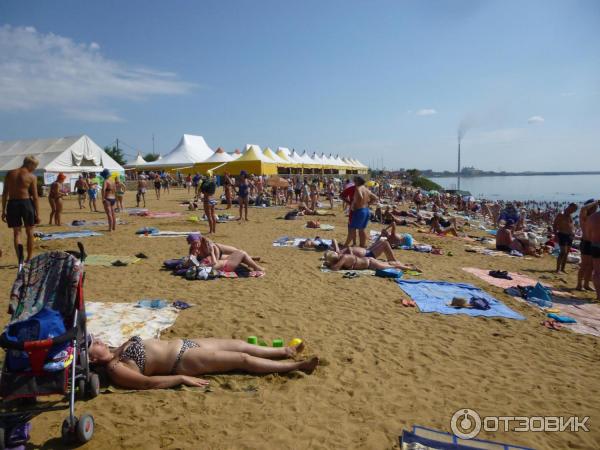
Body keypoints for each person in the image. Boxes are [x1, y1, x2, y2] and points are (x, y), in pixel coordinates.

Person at [88, 335, 318, 390]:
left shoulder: (116, 349)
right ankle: (297, 366)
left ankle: (287, 351)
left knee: (240, 344)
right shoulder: (115, 368)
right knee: (242, 359)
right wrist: (181, 378)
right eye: (93, 343)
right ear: (93, 358)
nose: (97, 339)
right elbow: (146, 383)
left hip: (187, 343)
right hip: (182, 360)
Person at [1, 156, 40, 261]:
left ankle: (20, 259)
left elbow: (4, 194)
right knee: (30, 231)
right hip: (26, 203)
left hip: (12, 204)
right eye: (35, 166)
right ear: (30, 164)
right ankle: (29, 257)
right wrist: (38, 213)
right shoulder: (31, 176)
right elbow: (35, 197)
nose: (35, 169)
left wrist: (3, 210)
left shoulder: (10, 173)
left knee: (17, 233)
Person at [187, 234, 264, 273]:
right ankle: (251, 261)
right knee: (237, 255)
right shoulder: (193, 249)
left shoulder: (208, 244)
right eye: (193, 243)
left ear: (199, 240)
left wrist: (213, 260)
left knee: (237, 251)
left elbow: (215, 260)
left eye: (196, 243)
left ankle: (251, 258)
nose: (195, 245)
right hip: (214, 259)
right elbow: (191, 260)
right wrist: (194, 253)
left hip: (219, 249)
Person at [347, 176, 378, 248]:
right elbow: (375, 197)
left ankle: (346, 245)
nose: (354, 182)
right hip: (366, 210)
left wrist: (355, 204)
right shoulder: (366, 189)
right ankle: (362, 246)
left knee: (352, 229)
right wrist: (368, 203)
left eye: (354, 181)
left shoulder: (358, 188)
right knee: (361, 229)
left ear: (357, 181)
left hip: (359, 211)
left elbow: (360, 196)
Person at [323, 250, 416, 272]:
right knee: (387, 263)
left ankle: (409, 268)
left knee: (392, 266)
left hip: (371, 264)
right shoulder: (342, 257)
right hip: (369, 261)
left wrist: (328, 265)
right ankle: (404, 264)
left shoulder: (343, 258)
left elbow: (335, 268)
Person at [577, 199, 599, 291]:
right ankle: (579, 285)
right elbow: (583, 209)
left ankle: (586, 284)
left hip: (593, 243)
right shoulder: (584, 217)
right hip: (586, 242)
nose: (595, 208)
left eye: (596, 207)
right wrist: (596, 202)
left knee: (591, 266)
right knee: (584, 264)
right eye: (593, 207)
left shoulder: (594, 217)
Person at [553, 203, 577, 273]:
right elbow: (554, 225)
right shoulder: (561, 214)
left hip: (569, 236)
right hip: (562, 234)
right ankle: (557, 269)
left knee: (566, 253)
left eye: (575, 210)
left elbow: (572, 225)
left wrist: (573, 232)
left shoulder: (570, 215)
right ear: (569, 206)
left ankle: (563, 269)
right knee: (563, 252)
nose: (573, 211)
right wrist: (555, 235)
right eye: (573, 209)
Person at [585, 210, 600, 300]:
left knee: (597, 271)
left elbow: (587, 235)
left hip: (595, 245)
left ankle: (598, 295)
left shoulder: (592, 217)